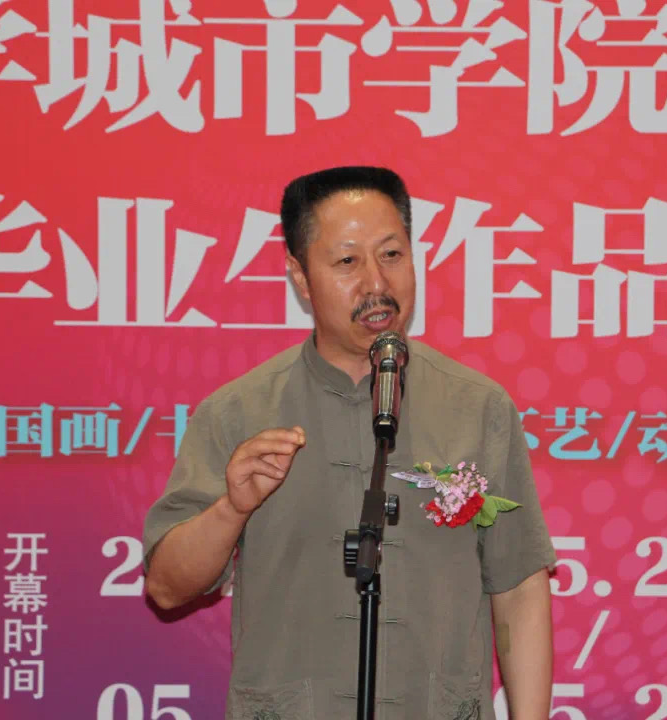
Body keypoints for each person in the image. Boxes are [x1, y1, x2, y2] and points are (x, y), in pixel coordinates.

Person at [142, 166, 557, 720]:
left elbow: (520, 588)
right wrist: (231, 509)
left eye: (392, 255)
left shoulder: (478, 407)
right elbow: (167, 587)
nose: (376, 283)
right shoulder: (238, 412)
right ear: (300, 276)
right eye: (346, 262)